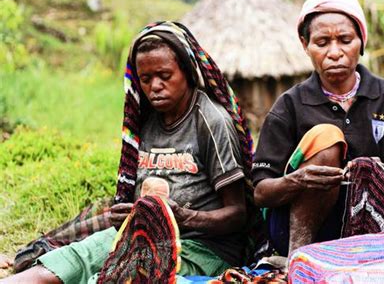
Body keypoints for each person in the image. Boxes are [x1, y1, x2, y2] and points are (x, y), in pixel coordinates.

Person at [2, 21, 255, 283]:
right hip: (138, 235)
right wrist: (123, 213)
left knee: (116, 276)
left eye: (165, 76)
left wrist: (183, 217)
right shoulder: (144, 120)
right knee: (65, 263)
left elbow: (237, 214)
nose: (154, 86)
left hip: (199, 249)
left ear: (188, 72)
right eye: (145, 79)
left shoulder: (211, 120)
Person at [251, 0, 384, 257]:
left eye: (345, 39)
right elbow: (261, 193)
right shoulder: (290, 106)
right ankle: (301, 259)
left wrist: (376, 180)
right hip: (299, 230)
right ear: (305, 46)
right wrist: (299, 180)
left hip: (369, 226)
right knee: (326, 137)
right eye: (322, 42)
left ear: (361, 42)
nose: (335, 52)